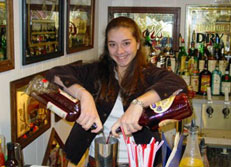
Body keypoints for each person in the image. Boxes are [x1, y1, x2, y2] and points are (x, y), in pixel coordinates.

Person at [46, 16, 187, 166]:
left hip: (139, 162)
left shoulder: (149, 74)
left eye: (126, 43)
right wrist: (84, 95)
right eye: (112, 44)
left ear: (138, 44)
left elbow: (179, 85)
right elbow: (54, 74)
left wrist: (138, 104)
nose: (119, 51)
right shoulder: (95, 72)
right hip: (98, 161)